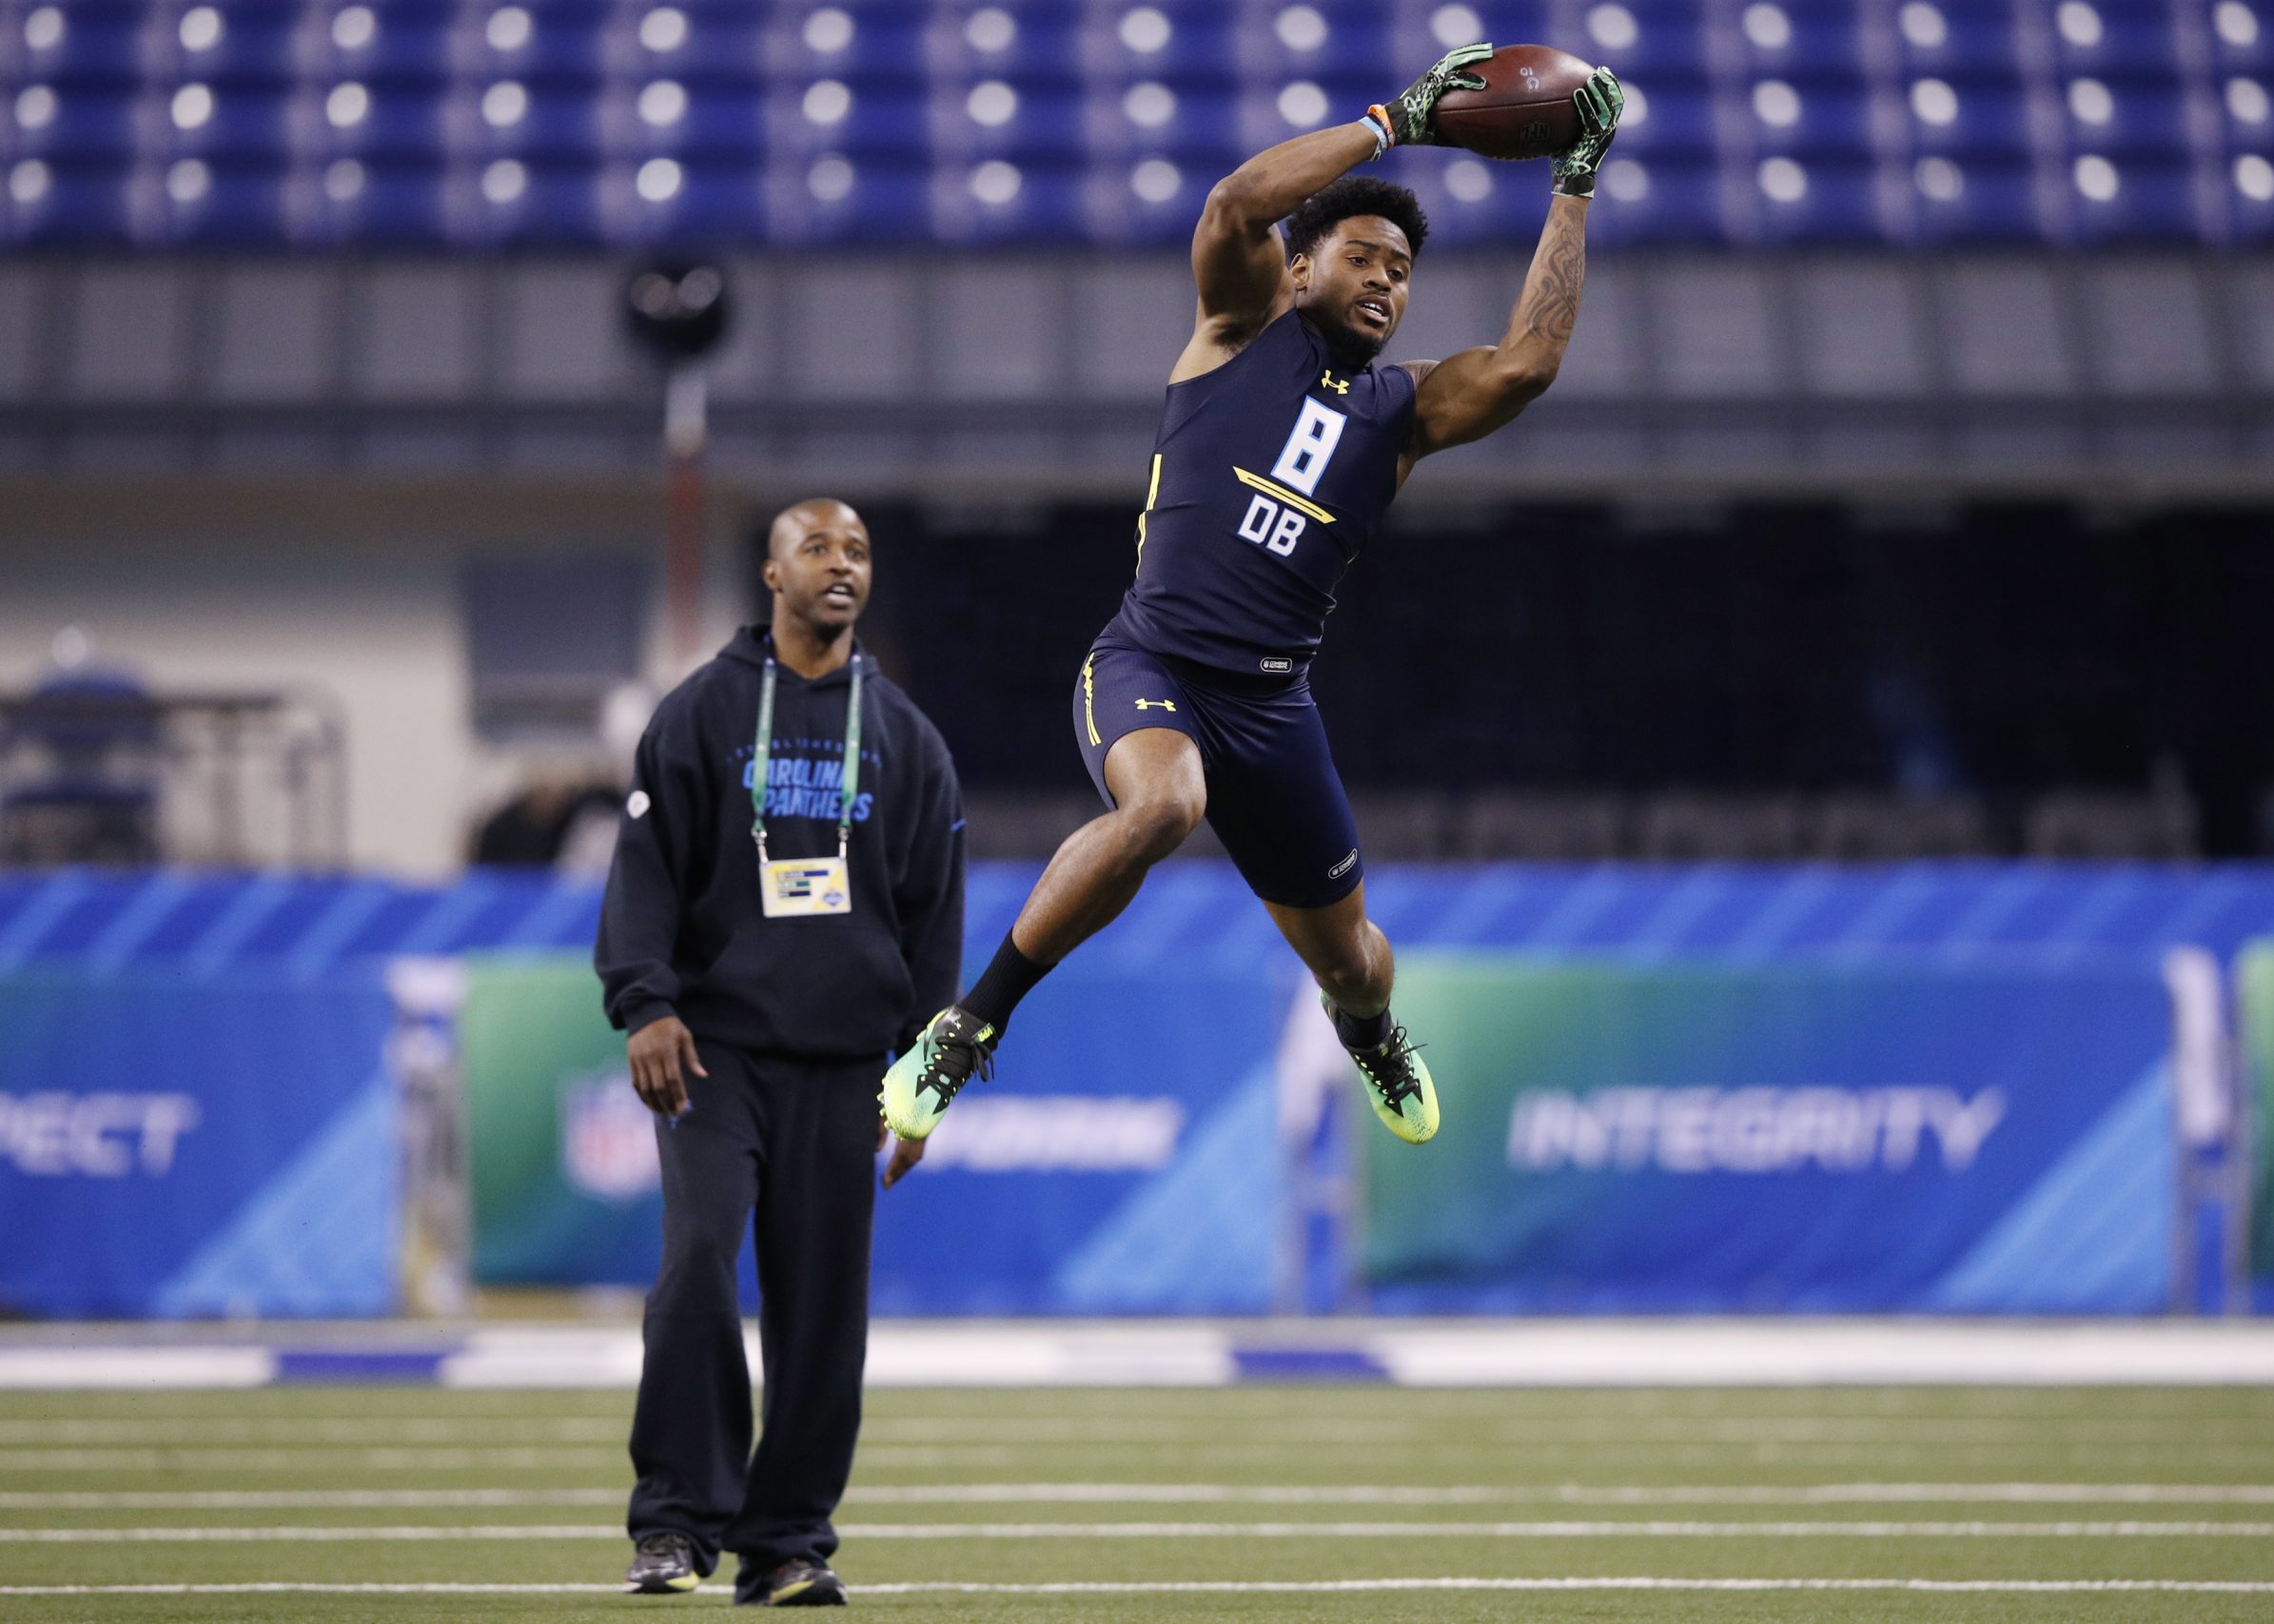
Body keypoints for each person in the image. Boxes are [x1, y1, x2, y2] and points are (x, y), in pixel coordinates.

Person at [881, 47, 1623, 1147]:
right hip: (1151, 664)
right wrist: (1395, 120)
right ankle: (968, 1027)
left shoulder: (1401, 410)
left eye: (1402, 272)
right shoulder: (1238, 331)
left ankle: (1365, 1031)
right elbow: (1235, 202)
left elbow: (1526, 366)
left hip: (1272, 709)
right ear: (1297, 269)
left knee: (1358, 963)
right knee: (1162, 808)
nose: (1385, 281)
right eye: (1362, 257)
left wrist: (1573, 184)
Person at [597, 499, 965, 1607]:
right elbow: (645, 871)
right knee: (698, 1265)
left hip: (846, 1066)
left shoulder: (906, 737)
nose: (841, 566)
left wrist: (920, 1080)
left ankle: (787, 1542)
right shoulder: (701, 711)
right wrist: (644, 1005)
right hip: (713, 1057)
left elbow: (930, 918)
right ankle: (672, 1523)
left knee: (820, 1310)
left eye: (857, 551)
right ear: (771, 573)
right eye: (818, 548)